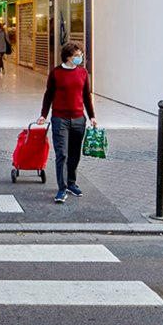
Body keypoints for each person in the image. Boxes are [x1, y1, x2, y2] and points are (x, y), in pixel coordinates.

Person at [40, 40, 96, 204]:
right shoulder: (56, 73)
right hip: (60, 119)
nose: (80, 58)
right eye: (77, 55)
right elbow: (48, 95)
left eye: (81, 55)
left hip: (79, 119)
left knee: (74, 154)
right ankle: (62, 188)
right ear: (68, 57)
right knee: (62, 154)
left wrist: (92, 116)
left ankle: (72, 183)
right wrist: (43, 114)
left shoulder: (83, 73)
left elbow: (87, 96)